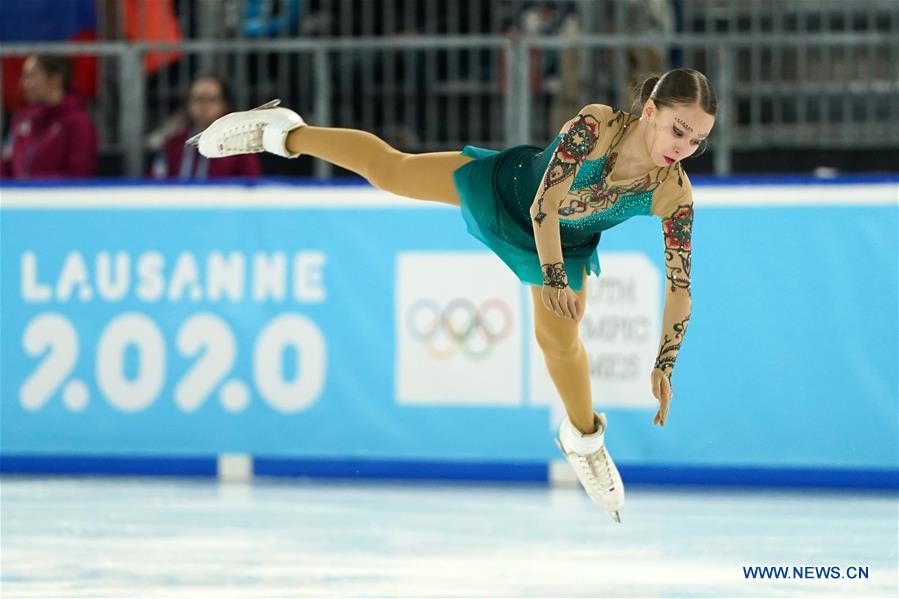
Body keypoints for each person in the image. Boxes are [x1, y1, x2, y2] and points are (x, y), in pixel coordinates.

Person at [189, 68, 717, 523]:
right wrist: (553, 280)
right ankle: (285, 132)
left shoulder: (673, 192)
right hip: (510, 193)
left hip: (567, 245)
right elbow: (544, 205)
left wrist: (665, 362)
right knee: (391, 170)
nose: (684, 148)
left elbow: (679, 286)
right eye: (679, 130)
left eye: (697, 141)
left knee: (559, 343)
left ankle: (585, 442)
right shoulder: (597, 125)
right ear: (649, 110)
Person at [1, 54, 98, 179]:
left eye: (31, 76)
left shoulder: (78, 124)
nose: (23, 84)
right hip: (17, 197)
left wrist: (34, 188)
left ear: (55, 79)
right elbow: (4, 166)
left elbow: (78, 176)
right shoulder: (22, 119)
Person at [152, 75, 261, 179]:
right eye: (198, 99)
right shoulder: (173, 144)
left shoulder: (240, 147)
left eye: (211, 99)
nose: (204, 106)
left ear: (225, 105)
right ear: (188, 103)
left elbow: (251, 188)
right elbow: (155, 186)